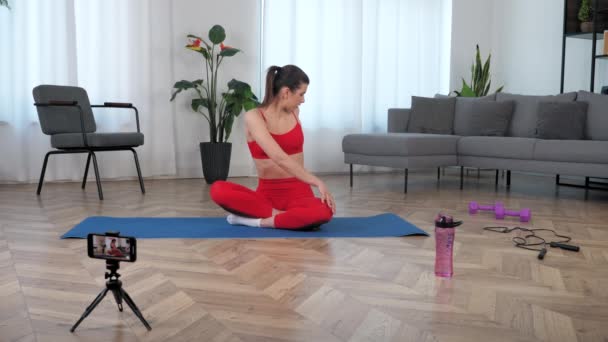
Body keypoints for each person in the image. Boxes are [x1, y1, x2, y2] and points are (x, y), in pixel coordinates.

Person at [210, 65, 335, 230]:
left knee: (324, 212)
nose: (303, 100)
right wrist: (317, 181)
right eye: (301, 94)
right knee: (218, 189)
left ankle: (256, 221)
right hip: (267, 196)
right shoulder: (254, 117)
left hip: (299, 193)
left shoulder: (295, 112)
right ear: (286, 92)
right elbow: (279, 157)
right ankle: (286, 217)